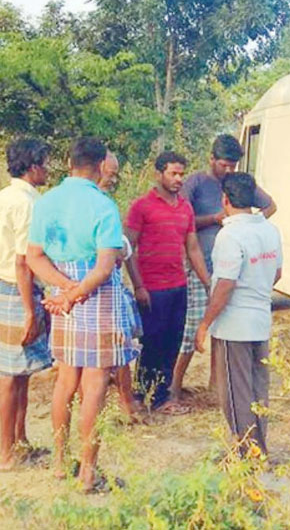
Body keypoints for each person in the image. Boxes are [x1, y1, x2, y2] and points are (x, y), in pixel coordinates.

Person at [27, 137, 139, 493]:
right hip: (96, 296)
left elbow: (34, 257)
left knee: (65, 380)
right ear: (101, 164)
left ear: (69, 161)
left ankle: (59, 463)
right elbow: (106, 266)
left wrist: (62, 290)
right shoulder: (102, 205)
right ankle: (88, 472)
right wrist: (75, 293)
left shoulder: (47, 201)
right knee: (94, 385)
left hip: (63, 295)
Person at [174, 134, 276, 400]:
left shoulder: (238, 185)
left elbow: (270, 206)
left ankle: (215, 386)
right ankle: (174, 388)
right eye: (223, 165)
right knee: (193, 327)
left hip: (232, 267)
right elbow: (181, 221)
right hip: (200, 265)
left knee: (224, 327)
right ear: (211, 159)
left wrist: (247, 223)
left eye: (233, 165)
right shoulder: (197, 182)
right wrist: (215, 219)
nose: (228, 171)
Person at [195, 172, 282, 457]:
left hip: (234, 326)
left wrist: (205, 323)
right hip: (260, 320)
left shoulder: (230, 235)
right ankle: (259, 447)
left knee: (235, 394)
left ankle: (246, 452)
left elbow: (225, 285)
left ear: (225, 200)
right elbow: (276, 273)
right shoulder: (269, 230)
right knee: (258, 389)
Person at [0, 138, 53, 470]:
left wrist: (1, 277)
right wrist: (27, 309)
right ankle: (6, 453)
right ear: (34, 165)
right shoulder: (30, 203)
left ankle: (20, 443)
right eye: (46, 162)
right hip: (20, 290)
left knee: (20, 371)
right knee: (11, 373)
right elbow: (25, 261)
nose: (49, 169)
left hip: (6, 287)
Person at [126, 151, 210, 414]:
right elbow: (128, 246)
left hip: (178, 285)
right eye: (173, 173)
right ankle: (139, 395)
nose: (178, 179)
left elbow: (193, 247)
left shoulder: (185, 207)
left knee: (173, 342)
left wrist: (207, 282)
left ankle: (163, 398)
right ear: (158, 174)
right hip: (152, 289)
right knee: (151, 342)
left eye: (181, 174)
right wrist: (138, 286)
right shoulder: (142, 207)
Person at [97, 151, 144, 421]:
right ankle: (124, 405)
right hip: (99, 288)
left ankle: (126, 404)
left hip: (109, 286)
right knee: (116, 351)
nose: (112, 180)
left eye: (115, 175)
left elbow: (122, 248)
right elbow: (118, 250)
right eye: (110, 174)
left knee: (121, 350)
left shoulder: (105, 202)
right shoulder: (97, 204)